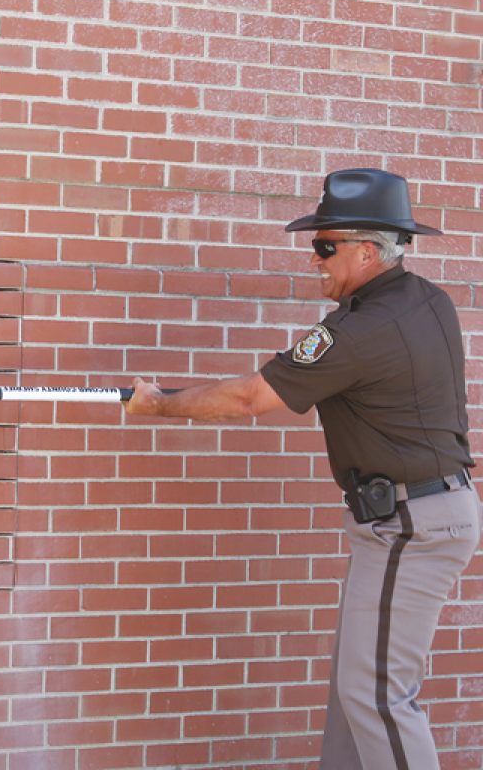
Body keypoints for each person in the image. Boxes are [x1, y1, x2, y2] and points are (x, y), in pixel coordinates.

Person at [124, 168, 480, 770]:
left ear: (368, 251)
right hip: (414, 516)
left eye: (324, 246)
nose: (313, 259)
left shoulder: (360, 329)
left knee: (378, 700)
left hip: (408, 526)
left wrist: (157, 404)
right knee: (356, 696)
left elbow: (246, 399)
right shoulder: (428, 301)